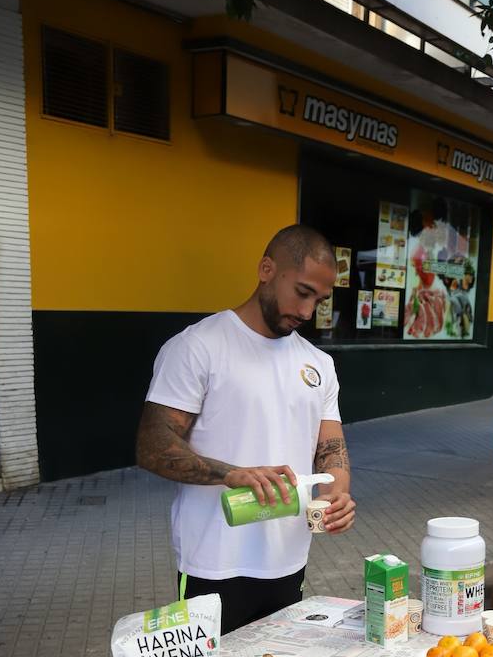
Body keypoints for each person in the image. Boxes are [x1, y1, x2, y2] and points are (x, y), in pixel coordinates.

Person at [136, 225, 356, 635]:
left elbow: (331, 450)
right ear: (267, 269)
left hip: (289, 559)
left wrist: (336, 494)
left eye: (320, 301)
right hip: (214, 561)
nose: (308, 312)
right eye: (303, 292)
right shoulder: (198, 346)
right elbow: (152, 446)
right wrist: (230, 473)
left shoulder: (319, 364)